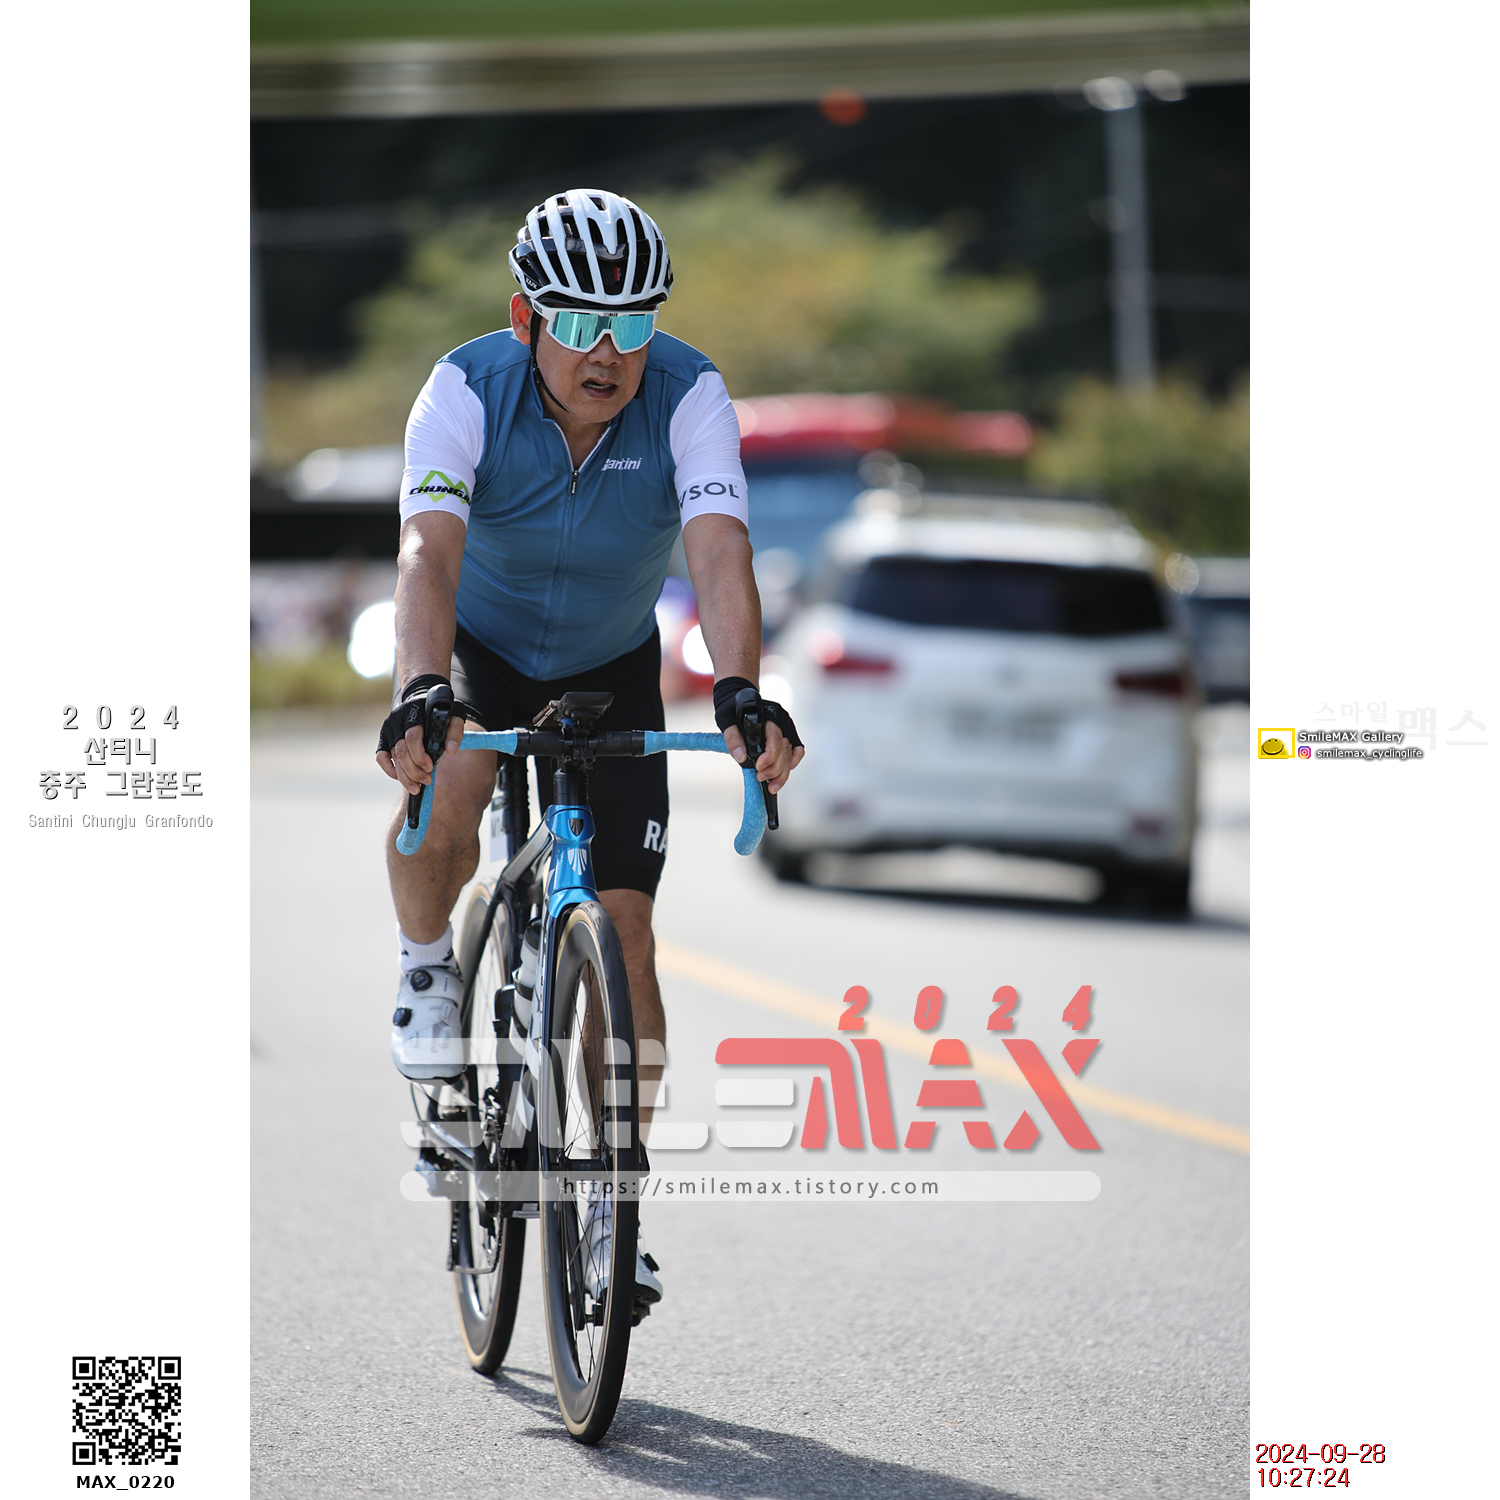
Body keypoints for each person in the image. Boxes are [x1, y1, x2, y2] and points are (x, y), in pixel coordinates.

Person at [374, 188, 803, 1312]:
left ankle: (613, 1202)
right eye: (576, 324)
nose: (606, 352)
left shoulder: (690, 394)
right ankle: (426, 970)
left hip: (611, 661)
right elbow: (427, 549)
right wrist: (420, 688)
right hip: (479, 649)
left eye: (631, 324)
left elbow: (719, 546)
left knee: (627, 933)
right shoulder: (464, 389)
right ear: (527, 319)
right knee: (449, 782)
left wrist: (740, 686)